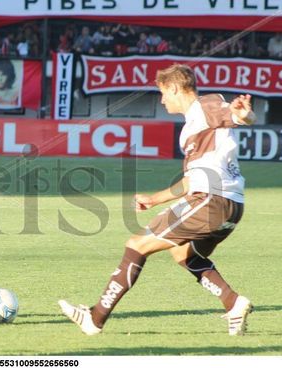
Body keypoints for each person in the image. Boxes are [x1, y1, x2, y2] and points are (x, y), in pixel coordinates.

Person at [59, 64, 256, 336]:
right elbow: (190, 181)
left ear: (175, 88)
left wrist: (246, 116)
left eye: (163, 93)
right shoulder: (194, 126)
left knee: (136, 244)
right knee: (183, 253)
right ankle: (233, 303)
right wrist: (154, 200)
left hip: (211, 201)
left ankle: (95, 319)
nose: (162, 100)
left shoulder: (205, 106)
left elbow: (237, 116)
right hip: (231, 205)